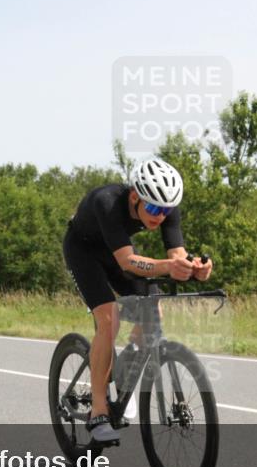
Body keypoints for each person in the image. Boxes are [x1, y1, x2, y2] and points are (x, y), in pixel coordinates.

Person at [63, 157, 213, 443]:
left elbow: (177, 256)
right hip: (84, 252)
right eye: (154, 208)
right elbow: (128, 262)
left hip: (116, 254)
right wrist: (169, 267)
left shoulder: (166, 207)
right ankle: (98, 410)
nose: (160, 216)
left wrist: (196, 269)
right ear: (135, 197)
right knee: (109, 319)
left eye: (165, 210)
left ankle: (125, 371)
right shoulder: (107, 202)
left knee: (153, 313)